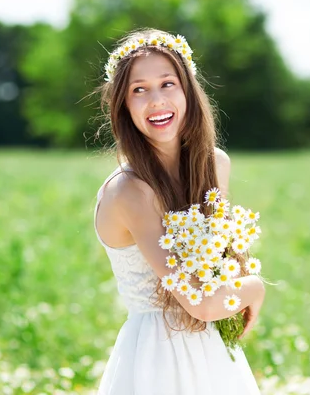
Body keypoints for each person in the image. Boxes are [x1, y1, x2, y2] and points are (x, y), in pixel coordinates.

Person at [93, 28, 265, 394]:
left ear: (188, 90)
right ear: (123, 105)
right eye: (138, 90)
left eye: (167, 83)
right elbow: (201, 302)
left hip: (213, 352)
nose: (156, 100)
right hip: (157, 358)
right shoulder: (129, 191)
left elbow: (217, 269)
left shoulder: (214, 165)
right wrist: (254, 288)